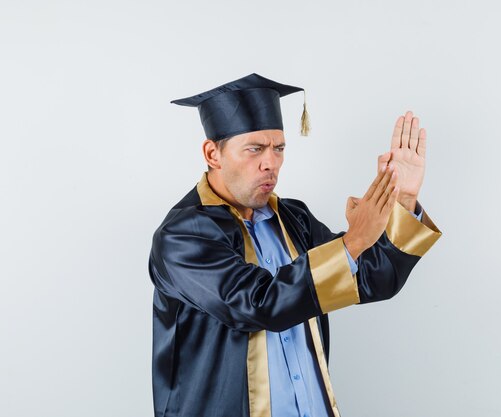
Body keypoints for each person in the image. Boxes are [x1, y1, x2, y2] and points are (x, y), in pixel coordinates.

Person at [148, 73, 442, 417]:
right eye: (255, 149)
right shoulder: (183, 235)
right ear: (213, 154)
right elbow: (260, 304)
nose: (270, 162)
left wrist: (403, 199)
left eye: (279, 148)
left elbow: (371, 279)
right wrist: (353, 241)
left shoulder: (293, 218)